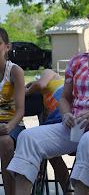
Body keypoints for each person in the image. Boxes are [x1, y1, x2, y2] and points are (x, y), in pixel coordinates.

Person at [7, 7, 89, 195]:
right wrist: (66, 116)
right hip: (77, 124)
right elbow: (64, 98)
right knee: (28, 137)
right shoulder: (78, 60)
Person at [25, 69, 71, 194]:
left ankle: (73, 189)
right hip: (60, 124)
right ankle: (68, 191)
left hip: (71, 116)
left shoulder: (49, 73)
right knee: (45, 151)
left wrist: (25, 91)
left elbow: (40, 84)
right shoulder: (45, 105)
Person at [0, 27, 25, 195]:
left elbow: (21, 110)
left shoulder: (15, 71)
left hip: (13, 124)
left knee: (5, 142)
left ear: (7, 47)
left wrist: (9, 127)